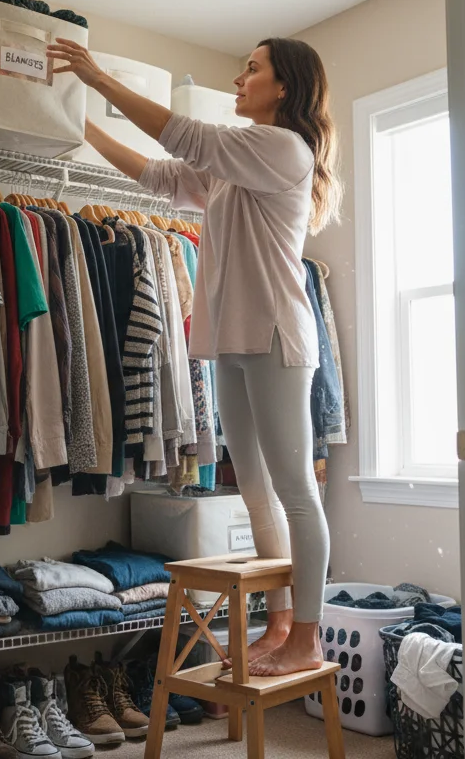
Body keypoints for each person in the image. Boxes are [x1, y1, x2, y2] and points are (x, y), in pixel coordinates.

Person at [48, 37, 342, 676]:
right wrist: (79, 121)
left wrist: (97, 77)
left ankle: (308, 638)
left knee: (295, 493)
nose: (240, 79)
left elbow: (185, 137)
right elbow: (159, 175)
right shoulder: (238, 165)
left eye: (253, 69)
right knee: (254, 488)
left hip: (274, 337)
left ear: (285, 86)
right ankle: (283, 621)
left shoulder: (282, 148)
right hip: (233, 339)